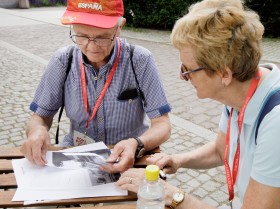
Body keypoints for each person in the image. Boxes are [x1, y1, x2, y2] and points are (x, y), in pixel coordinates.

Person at [116, 0, 280, 208]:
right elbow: (221, 150)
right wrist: (177, 159)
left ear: (223, 74)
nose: (182, 77)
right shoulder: (241, 91)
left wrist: (175, 197)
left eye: (187, 70)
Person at [20, 0, 172, 173]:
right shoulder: (62, 60)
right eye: (82, 36)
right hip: (77, 155)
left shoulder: (140, 60)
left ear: (120, 27)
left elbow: (162, 124)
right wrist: (37, 131)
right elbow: (40, 117)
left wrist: (136, 144)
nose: (92, 47)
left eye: (102, 37)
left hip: (128, 158)